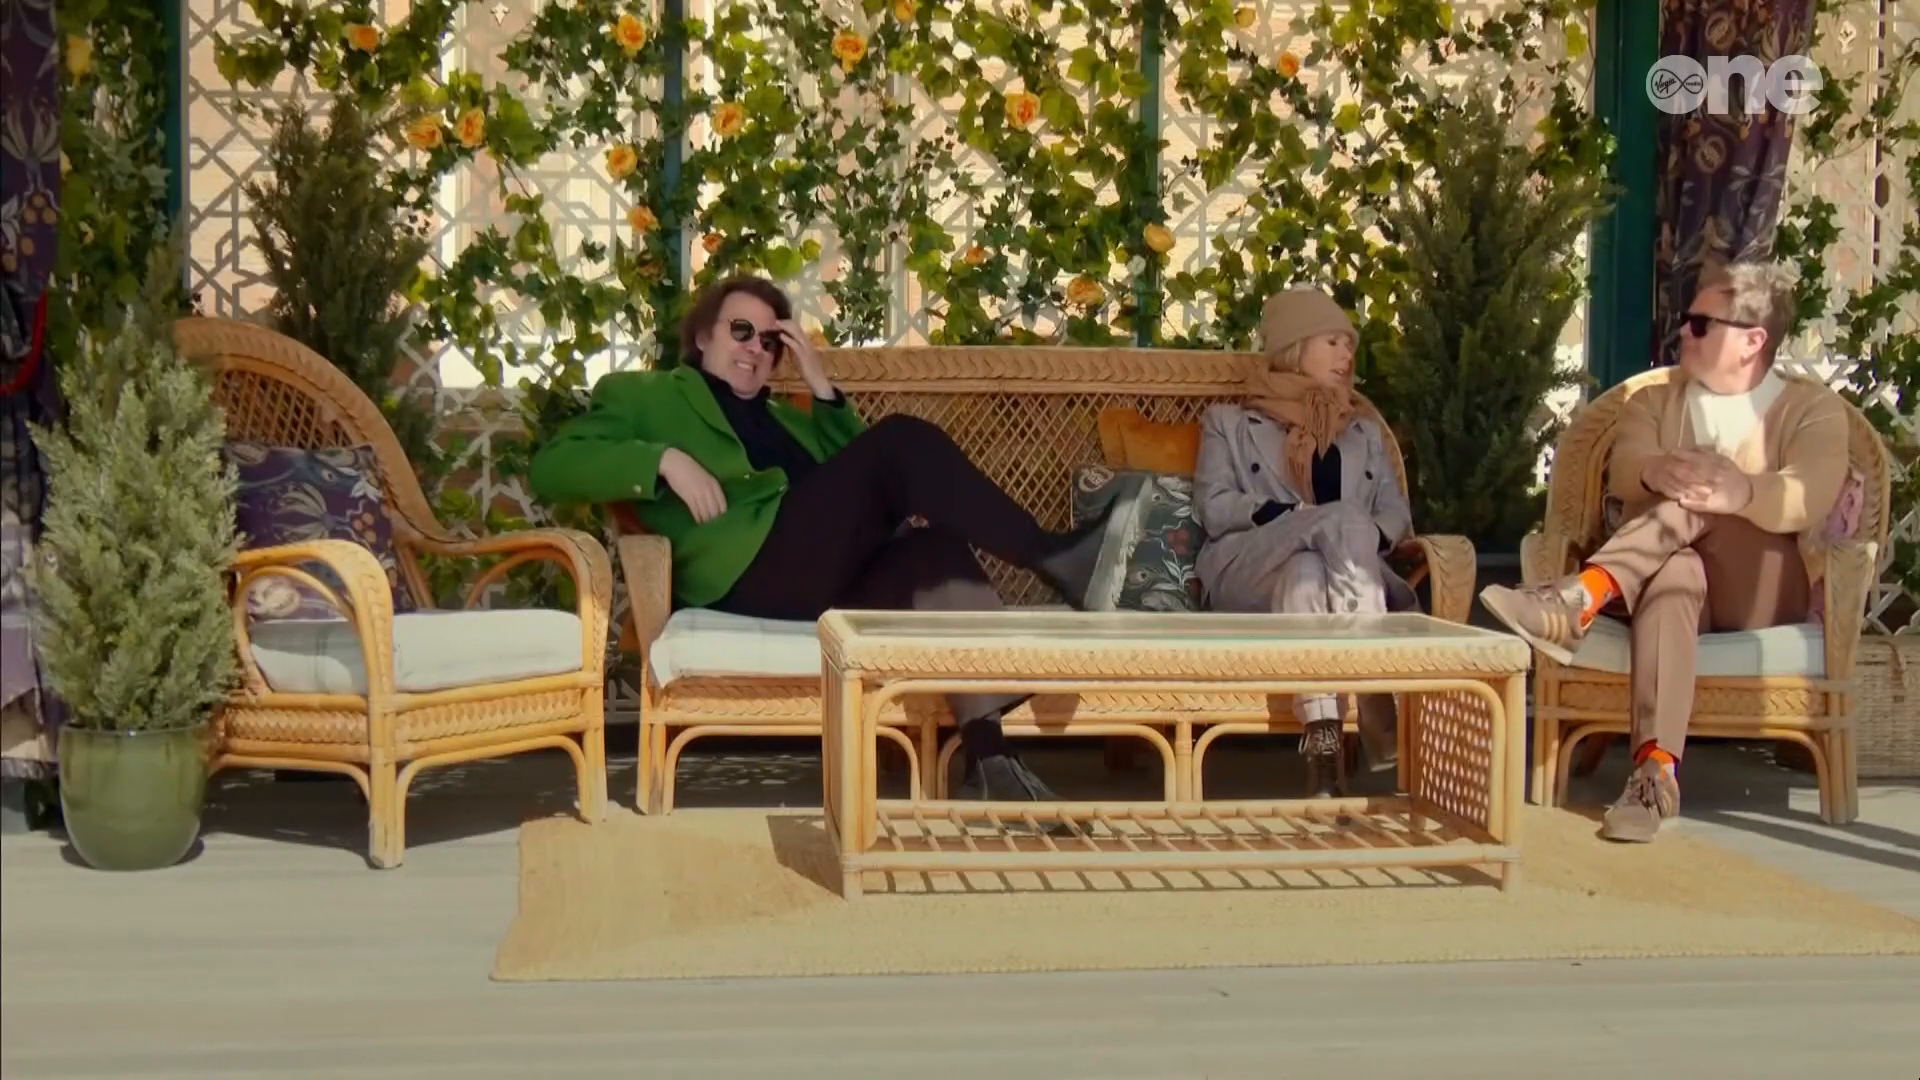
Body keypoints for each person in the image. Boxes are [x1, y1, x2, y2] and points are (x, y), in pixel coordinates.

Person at [528, 275, 1114, 802]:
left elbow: (873, 477)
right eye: (741, 331)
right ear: (704, 335)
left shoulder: (792, 420)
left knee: (934, 551)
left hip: (821, 579)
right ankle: (1054, 557)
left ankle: (991, 763)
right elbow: (553, 466)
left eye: (770, 341)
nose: (755, 348)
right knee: (901, 440)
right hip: (745, 574)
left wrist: (821, 387)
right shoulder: (644, 396)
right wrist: (662, 460)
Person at [1479, 260, 1851, 843]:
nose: (1683, 331)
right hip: (1669, 583)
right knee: (1674, 569)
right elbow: (1625, 467)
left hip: (1760, 590)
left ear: (1753, 341)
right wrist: (1656, 470)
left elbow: (1811, 493)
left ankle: (1582, 596)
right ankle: (1654, 775)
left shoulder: (1811, 409)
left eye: (1701, 323)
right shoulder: (1652, 401)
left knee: (1706, 494)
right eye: (1686, 318)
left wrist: (1741, 491)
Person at [1192, 287, 1416, 796]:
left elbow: (1395, 513)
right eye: (1333, 342)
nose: (1346, 356)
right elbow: (1214, 506)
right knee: (1334, 522)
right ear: (1295, 347)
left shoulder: (1362, 432)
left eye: (1349, 346)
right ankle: (1375, 690)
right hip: (1249, 568)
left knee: (1308, 571)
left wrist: (1358, 533)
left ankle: (1324, 753)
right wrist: (1290, 517)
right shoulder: (1229, 423)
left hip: (1327, 582)